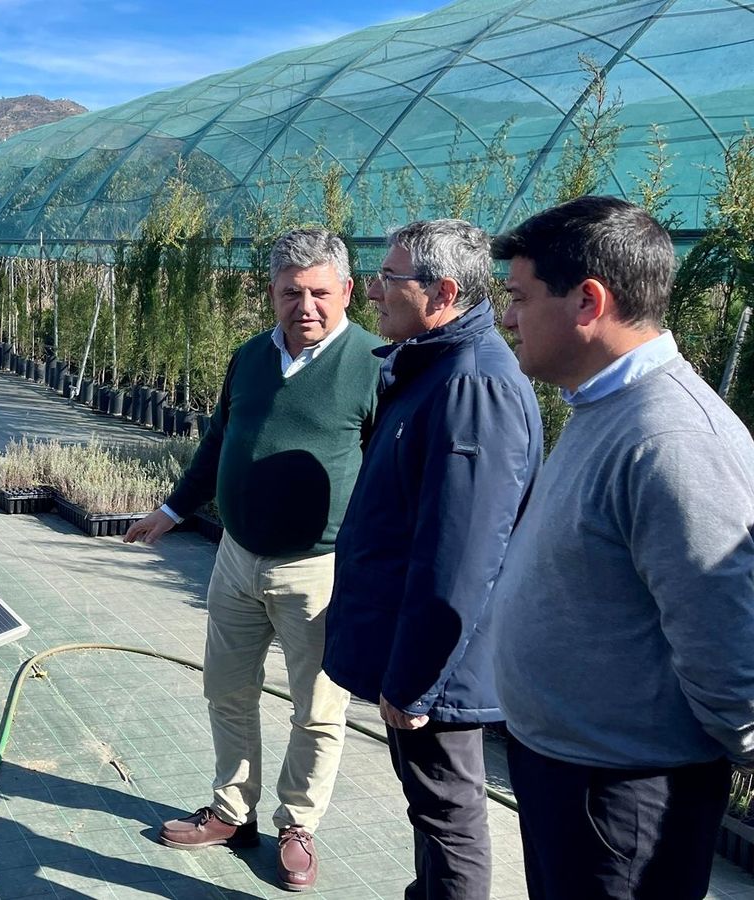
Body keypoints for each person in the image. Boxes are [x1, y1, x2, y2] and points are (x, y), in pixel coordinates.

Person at [491, 195, 754, 899]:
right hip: (571, 776)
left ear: (587, 302)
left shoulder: (674, 441)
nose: (507, 318)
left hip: (625, 801)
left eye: (518, 297)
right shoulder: (605, 408)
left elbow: (729, 647)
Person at [123, 227, 384, 892]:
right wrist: (174, 509)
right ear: (270, 292)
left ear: (347, 290)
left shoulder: (374, 365)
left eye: (320, 292)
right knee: (227, 691)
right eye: (291, 292)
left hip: (319, 571)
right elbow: (218, 440)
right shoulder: (249, 358)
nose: (306, 306)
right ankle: (233, 813)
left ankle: (297, 825)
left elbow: (389, 476)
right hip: (237, 558)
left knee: (318, 710)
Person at [322, 219, 540, 900]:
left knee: (448, 812)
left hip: (438, 661)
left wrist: (416, 679)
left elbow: (462, 553)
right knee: (431, 803)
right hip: (420, 652)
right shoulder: (435, 365)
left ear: (442, 292)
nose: (375, 292)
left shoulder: (471, 387)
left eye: (389, 278)